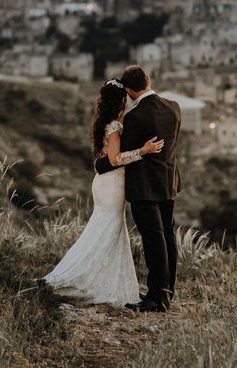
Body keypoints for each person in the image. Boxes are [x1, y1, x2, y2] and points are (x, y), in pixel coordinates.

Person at [41, 79, 164, 307]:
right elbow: (115, 159)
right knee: (108, 228)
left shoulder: (103, 123)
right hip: (112, 184)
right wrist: (143, 151)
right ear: (120, 101)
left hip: (103, 182)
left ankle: (97, 276)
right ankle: (83, 277)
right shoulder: (115, 127)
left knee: (102, 228)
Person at [95, 65, 182, 313]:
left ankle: (156, 298)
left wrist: (100, 164)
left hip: (144, 186)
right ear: (149, 80)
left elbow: (122, 155)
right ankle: (166, 291)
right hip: (168, 180)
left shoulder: (135, 117)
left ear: (131, 91)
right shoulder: (173, 107)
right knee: (167, 236)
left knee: (153, 239)